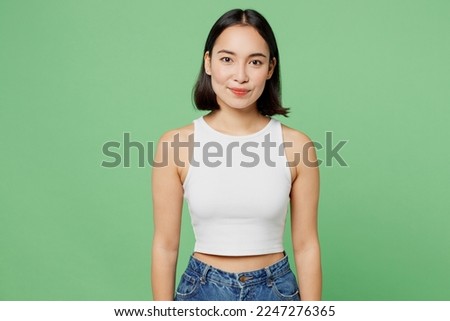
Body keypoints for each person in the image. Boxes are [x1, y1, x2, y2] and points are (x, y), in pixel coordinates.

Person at [151, 8, 321, 301]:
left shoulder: (297, 146)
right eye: (227, 59)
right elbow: (165, 246)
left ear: (270, 68)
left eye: (254, 62)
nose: (240, 76)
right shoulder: (175, 144)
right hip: (201, 291)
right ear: (208, 63)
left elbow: (306, 246)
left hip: (275, 293)